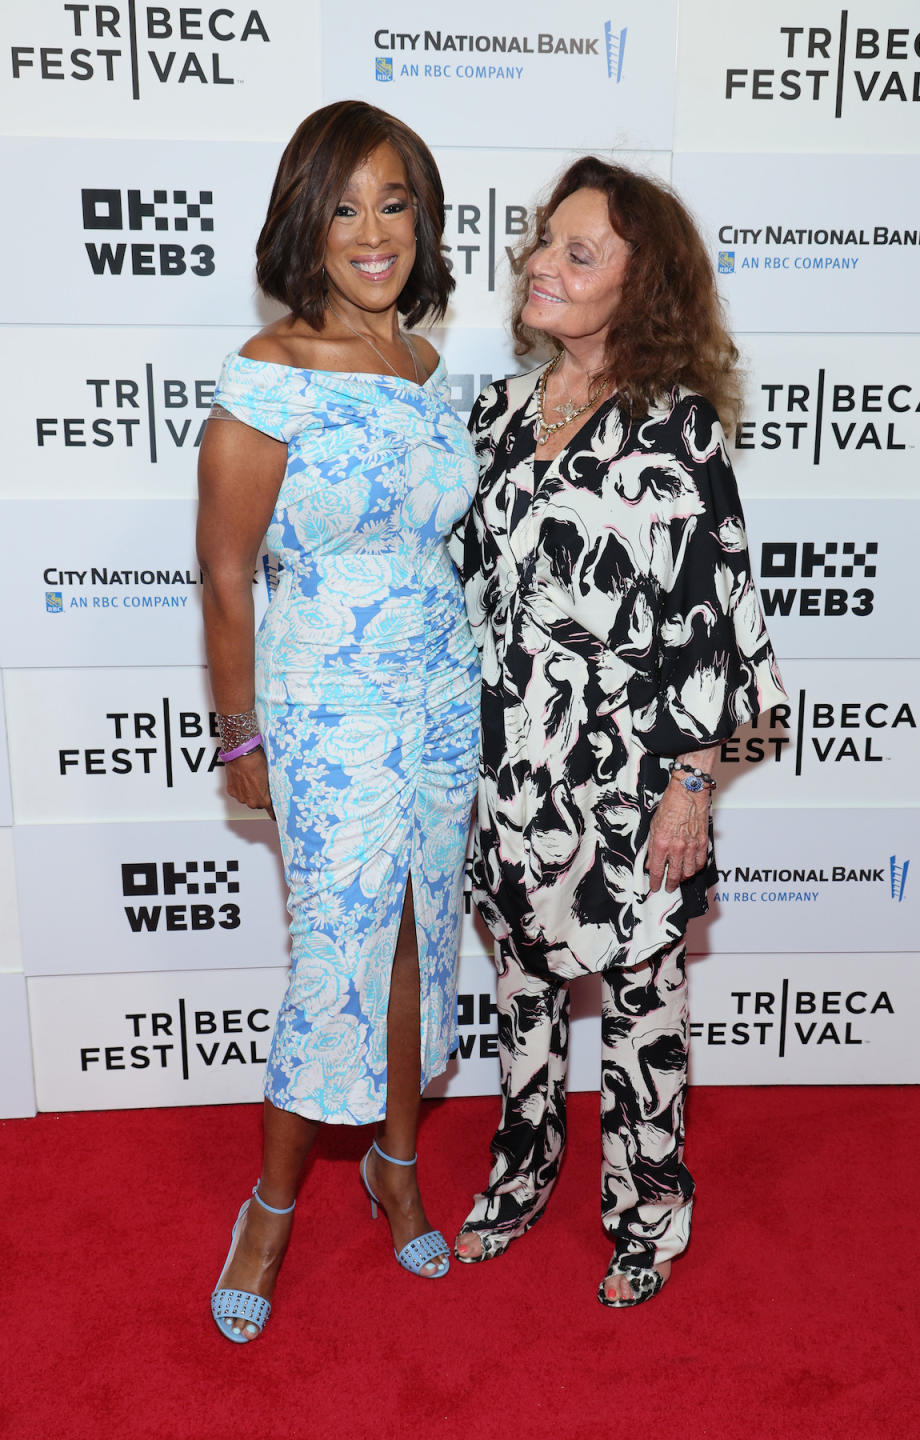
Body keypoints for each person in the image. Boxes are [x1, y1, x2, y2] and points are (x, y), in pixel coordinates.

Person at [449, 156, 787, 1307]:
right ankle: (521, 1172)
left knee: (645, 1007)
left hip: (634, 779)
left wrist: (692, 789)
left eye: (578, 252)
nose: (542, 262)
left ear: (641, 290)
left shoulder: (679, 430)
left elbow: (710, 618)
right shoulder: (492, 412)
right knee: (522, 993)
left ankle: (650, 1207)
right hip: (507, 770)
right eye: (545, 241)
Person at [197, 100, 480, 1342]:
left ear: (422, 217)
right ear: (306, 228)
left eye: (396, 202)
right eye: (347, 207)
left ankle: (397, 1167)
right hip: (327, 700)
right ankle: (271, 1205)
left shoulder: (429, 369)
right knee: (336, 954)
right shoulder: (267, 379)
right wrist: (241, 735)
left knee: (426, 929)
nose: (375, 233)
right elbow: (223, 573)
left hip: (441, 687)